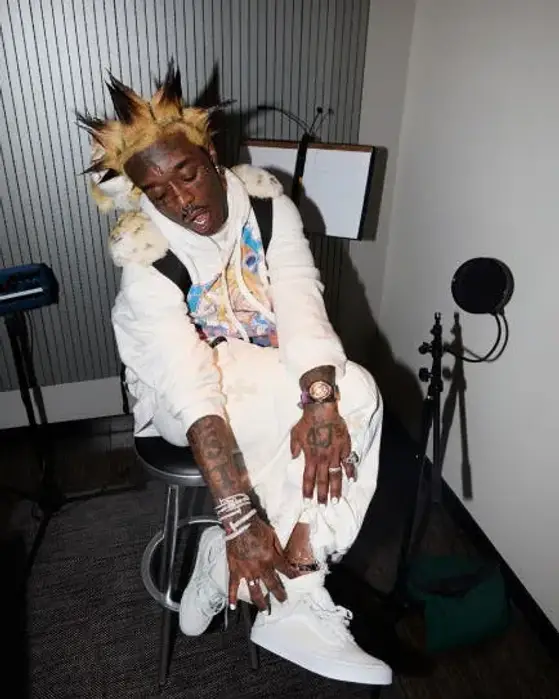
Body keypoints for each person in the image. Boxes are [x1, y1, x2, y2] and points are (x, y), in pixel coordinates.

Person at [78, 63, 391, 687]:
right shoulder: (148, 261)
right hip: (179, 400)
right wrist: (240, 520)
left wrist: (321, 400)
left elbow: (301, 302)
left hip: (265, 365)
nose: (180, 200)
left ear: (210, 155)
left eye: (187, 174)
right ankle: (280, 594)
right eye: (157, 192)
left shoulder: (269, 210)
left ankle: (294, 573)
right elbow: (192, 387)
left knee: (354, 390)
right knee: (300, 391)